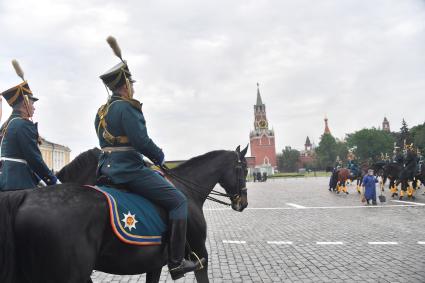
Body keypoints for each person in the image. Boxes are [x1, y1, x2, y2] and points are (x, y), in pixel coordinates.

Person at [95, 36, 203, 280]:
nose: (133, 86)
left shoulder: (101, 111)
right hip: (128, 171)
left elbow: (111, 143)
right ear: (125, 84)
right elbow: (141, 142)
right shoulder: (127, 107)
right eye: (131, 82)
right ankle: (176, 262)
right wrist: (159, 155)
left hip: (106, 170)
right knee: (177, 201)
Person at [0, 60, 58, 191]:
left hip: (5, 178)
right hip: (18, 181)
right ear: (24, 104)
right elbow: (33, 157)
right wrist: (52, 180)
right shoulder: (22, 124)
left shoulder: (7, 124)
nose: (34, 108)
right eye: (32, 104)